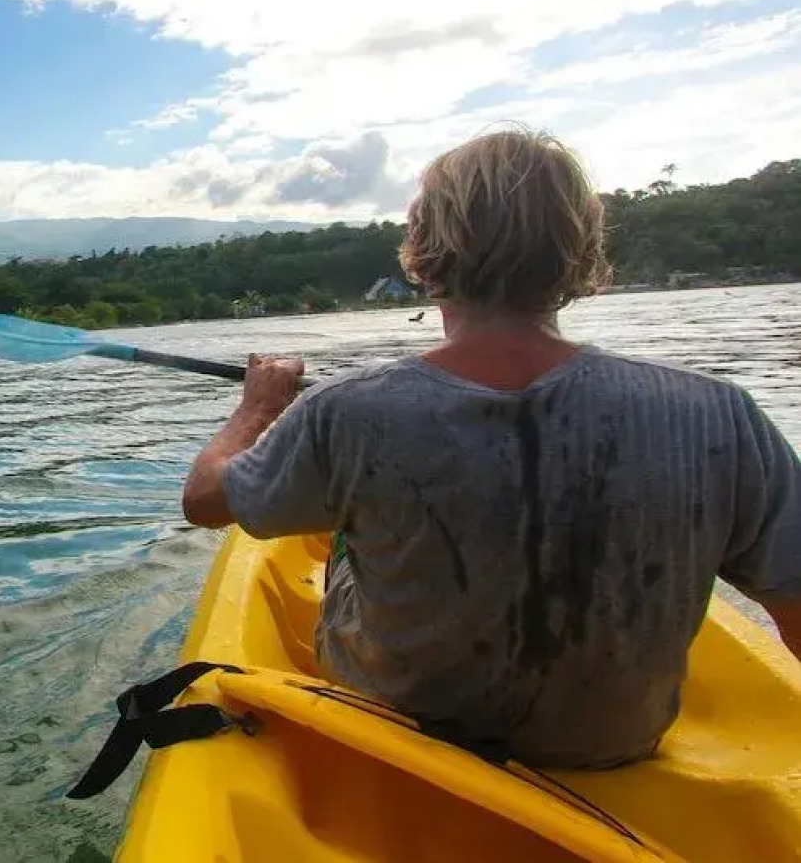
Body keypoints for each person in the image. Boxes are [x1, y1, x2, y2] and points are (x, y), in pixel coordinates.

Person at [180, 126, 801, 770]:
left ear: (422, 250)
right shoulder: (719, 412)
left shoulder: (348, 410)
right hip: (613, 750)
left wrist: (256, 409)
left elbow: (203, 501)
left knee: (341, 537)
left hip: (402, 735)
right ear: (581, 249)